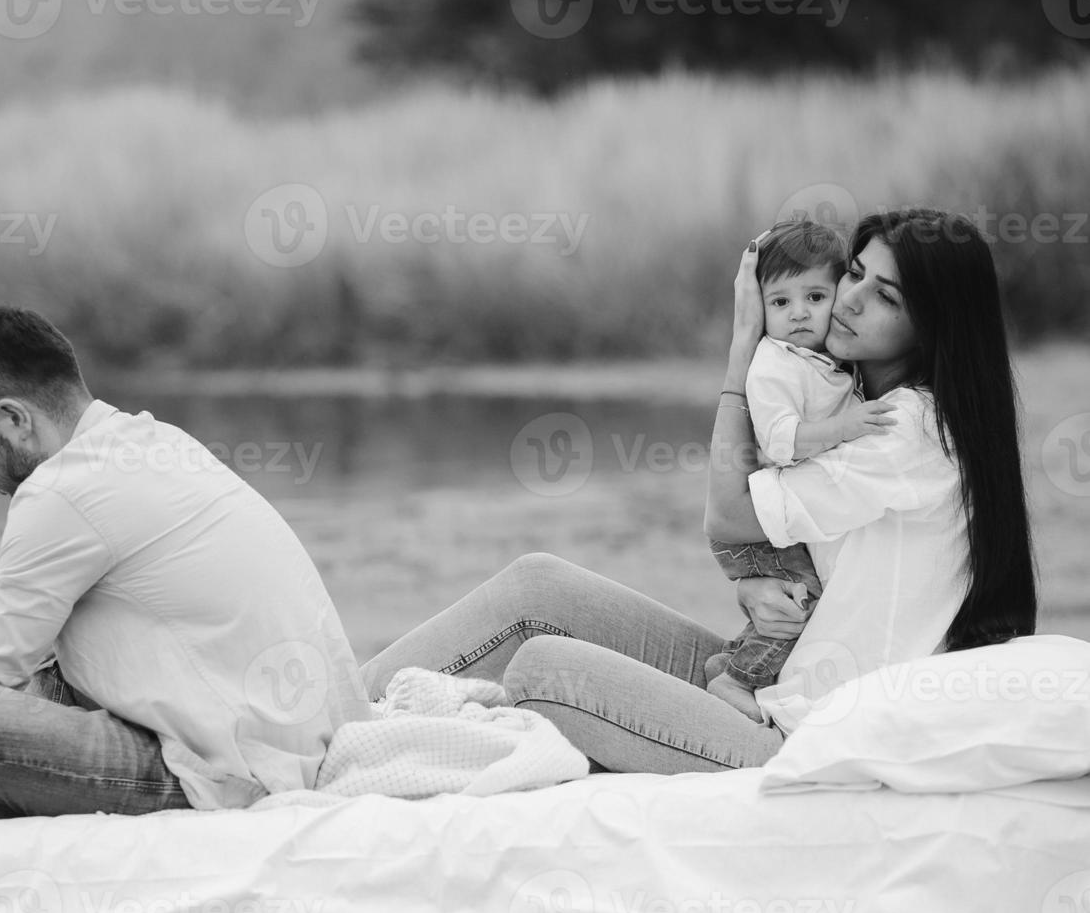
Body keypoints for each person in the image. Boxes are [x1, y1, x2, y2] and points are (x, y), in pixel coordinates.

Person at [362, 209, 1037, 773]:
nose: (850, 299)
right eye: (855, 273)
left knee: (544, 669)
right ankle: (333, 721)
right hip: (767, 683)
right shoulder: (847, 394)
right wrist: (755, 583)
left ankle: (338, 736)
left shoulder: (909, 428)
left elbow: (730, 514)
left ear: (935, 327)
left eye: (886, 296)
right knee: (538, 585)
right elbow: (763, 533)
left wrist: (746, 339)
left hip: (800, 738)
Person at [0, 305, 371, 817]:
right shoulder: (152, 440)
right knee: (7, 691)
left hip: (234, 776)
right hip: (293, 737)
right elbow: (131, 626)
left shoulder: (61, 492)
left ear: (13, 419)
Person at [704, 220, 898, 720]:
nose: (799, 315)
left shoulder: (822, 360)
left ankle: (731, 659)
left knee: (786, 603)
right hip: (759, 527)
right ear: (759, 307)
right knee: (804, 602)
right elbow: (783, 443)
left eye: (815, 296)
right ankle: (736, 682)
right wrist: (847, 425)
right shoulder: (775, 366)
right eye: (780, 303)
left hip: (774, 519)